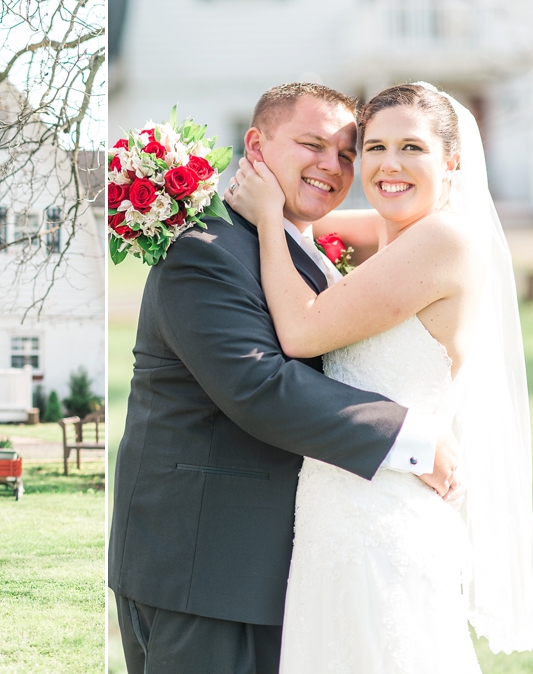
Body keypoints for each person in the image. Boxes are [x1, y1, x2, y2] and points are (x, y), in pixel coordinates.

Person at [108, 83, 460, 674]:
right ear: (256, 145)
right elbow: (259, 386)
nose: (332, 165)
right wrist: (413, 441)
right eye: (311, 144)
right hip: (204, 570)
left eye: (349, 154)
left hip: (282, 567)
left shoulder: (308, 248)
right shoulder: (207, 253)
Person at [225, 82, 533, 671]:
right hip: (337, 508)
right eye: (372, 148)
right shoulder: (393, 230)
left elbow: (300, 332)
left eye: (412, 148)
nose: (389, 165)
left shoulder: (442, 240)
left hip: (384, 517)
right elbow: (315, 216)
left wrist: (268, 217)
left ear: (451, 160)